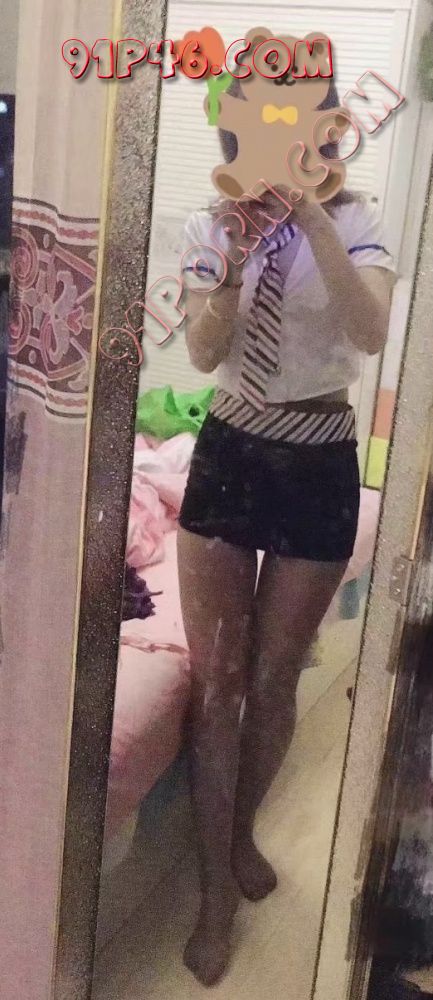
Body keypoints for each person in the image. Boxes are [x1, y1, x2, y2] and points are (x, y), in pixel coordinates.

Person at [176, 77, 397, 987]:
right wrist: (231, 266)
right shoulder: (208, 223)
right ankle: (213, 896)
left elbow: (370, 331)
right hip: (229, 449)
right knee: (217, 680)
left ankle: (238, 834)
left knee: (271, 678)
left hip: (317, 459)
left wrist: (309, 218)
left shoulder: (359, 220)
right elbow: (202, 354)